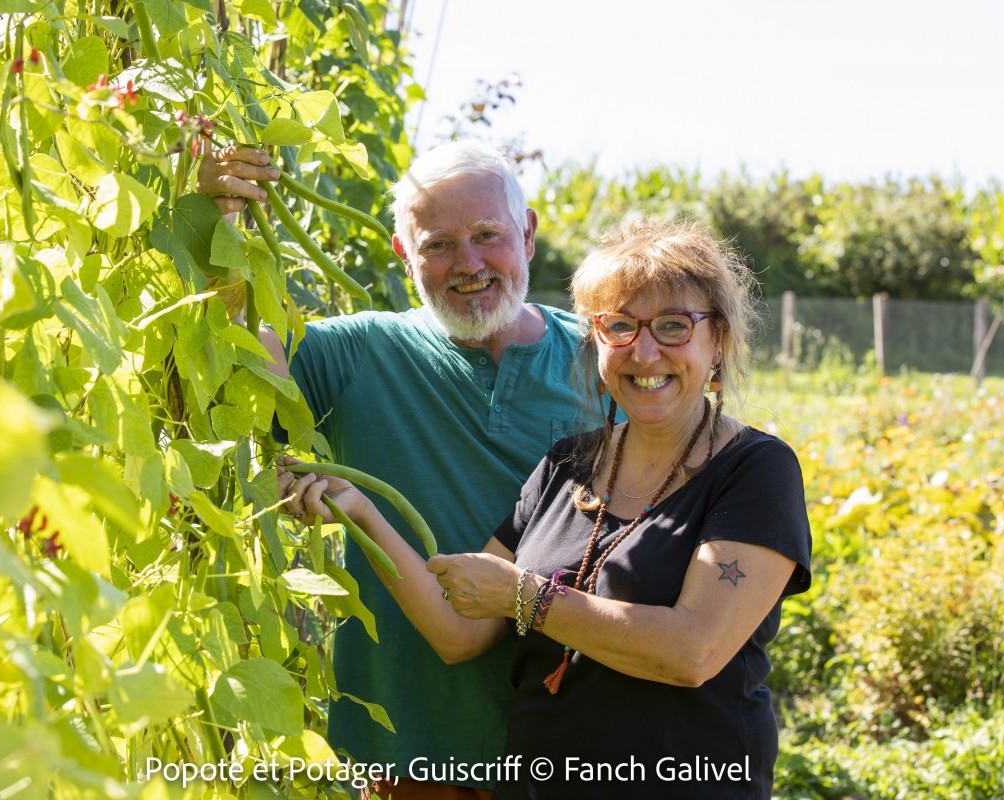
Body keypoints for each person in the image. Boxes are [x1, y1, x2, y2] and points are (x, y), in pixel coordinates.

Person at [280, 216, 813, 799]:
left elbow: (692, 651)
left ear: (719, 341)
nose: (645, 349)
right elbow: (460, 631)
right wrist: (361, 512)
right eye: (619, 326)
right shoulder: (566, 467)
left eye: (673, 326)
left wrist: (523, 596)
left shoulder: (754, 471)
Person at [199, 140, 607, 798]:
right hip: (410, 759)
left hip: (569, 754)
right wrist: (215, 216)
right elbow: (232, 354)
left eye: (487, 235)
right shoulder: (361, 351)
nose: (468, 264)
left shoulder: (604, 366)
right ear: (402, 254)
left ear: (527, 234)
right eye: (438, 244)